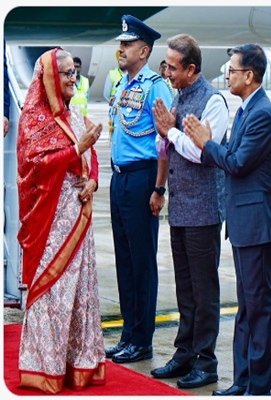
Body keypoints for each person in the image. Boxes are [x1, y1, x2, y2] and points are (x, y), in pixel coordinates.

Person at [183, 43, 271, 396]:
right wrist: (207, 147)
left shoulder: (261, 114)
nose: (228, 74)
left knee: (258, 309)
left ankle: (258, 387)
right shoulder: (246, 109)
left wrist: (208, 144)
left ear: (250, 75)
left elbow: (238, 162)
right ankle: (242, 381)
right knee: (246, 308)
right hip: (243, 224)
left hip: (256, 225)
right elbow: (228, 159)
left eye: (233, 70)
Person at [16, 48, 104, 394]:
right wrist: (77, 149)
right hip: (51, 222)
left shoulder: (75, 116)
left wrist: (93, 179)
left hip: (78, 219)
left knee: (81, 292)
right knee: (52, 295)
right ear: (50, 78)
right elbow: (34, 167)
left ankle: (76, 366)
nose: (72, 78)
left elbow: (93, 156)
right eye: (66, 73)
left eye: (74, 73)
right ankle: (45, 369)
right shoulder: (33, 119)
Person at [150, 33, 228, 389]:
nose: (166, 71)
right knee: (184, 288)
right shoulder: (179, 97)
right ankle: (184, 354)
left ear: (192, 68)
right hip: (181, 208)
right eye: (165, 63)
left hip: (204, 211)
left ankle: (206, 362)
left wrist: (173, 131)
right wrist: (164, 134)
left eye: (172, 66)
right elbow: (169, 147)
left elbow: (202, 152)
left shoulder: (214, 102)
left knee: (204, 290)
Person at [105, 15, 173, 364]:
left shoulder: (155, 86)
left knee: (142, 261)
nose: (121, 48)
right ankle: (128, 334)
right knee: (124, 260)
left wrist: (159, 188)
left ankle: (142, 340)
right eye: (121, 43)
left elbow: (164, 141)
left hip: (143, 178)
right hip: (121, 178)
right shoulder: (123, 84)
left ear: (144, 50)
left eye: (127, 44)